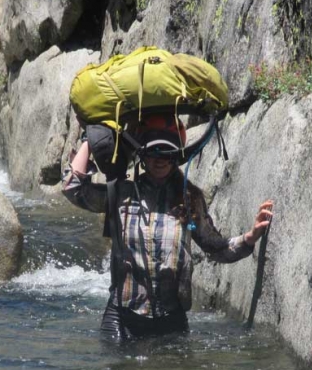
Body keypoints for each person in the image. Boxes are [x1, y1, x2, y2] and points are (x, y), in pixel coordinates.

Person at [62, 115, 274, 341]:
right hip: (122, 319)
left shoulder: (189, 198)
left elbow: (215, 247)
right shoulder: (122, 193)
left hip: (171, 319)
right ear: (142, 156)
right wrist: (90, 136)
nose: (159, 159)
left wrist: (250, 237)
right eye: (153, 152)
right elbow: (72, 187)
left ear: (176, 157)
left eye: (166, 152)